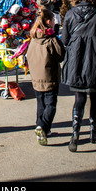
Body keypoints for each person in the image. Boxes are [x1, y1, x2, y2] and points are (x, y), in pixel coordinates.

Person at [61, 0, 96, 152]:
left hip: (77, 60)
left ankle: (75, 133)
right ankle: (93, 132)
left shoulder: (70, 14)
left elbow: (65, 39)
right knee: (95, 97)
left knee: (79, 97)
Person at [27, 8, 65, 146]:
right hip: (49, 77)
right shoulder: (50, 39)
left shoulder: (34, 37)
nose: (55, 22)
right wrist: (56, 38)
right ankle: (42, 126)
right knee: (51, 104)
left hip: (36, 77)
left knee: (41, 103)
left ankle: (44, 129)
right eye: (54, 20)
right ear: (48, 22)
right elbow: (61, 55)